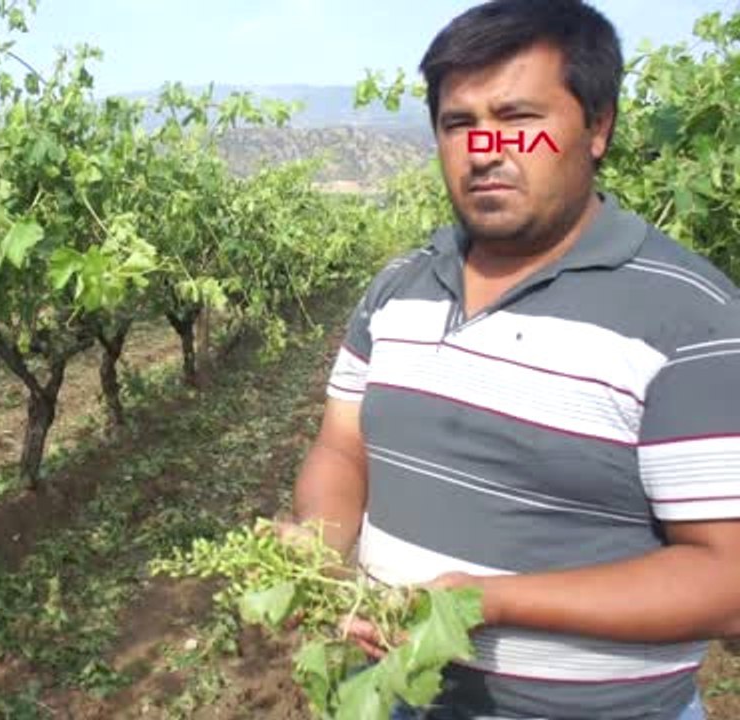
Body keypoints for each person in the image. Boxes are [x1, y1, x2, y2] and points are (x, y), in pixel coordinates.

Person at [280, 0, 740, 718]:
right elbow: (343, 447)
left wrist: (489, 601)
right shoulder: (396, 288)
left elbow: (729, 582)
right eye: (458, 123)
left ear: (598, 127)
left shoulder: (690, 320)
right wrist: (319, 554)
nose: (485, 148)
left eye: (518, 118)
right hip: (400, 695)